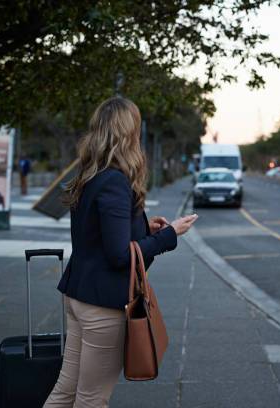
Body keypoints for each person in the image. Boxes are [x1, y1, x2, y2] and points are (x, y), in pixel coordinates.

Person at [44, 97, 198, 408]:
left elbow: (99, 238)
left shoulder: (90, 175)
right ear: (129, 133)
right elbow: (118, 256)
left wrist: (146, 231)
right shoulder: (114, 181)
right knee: (91, 399)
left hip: (79, 294)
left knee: (66, 391)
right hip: (102, 305)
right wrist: (169, 236)